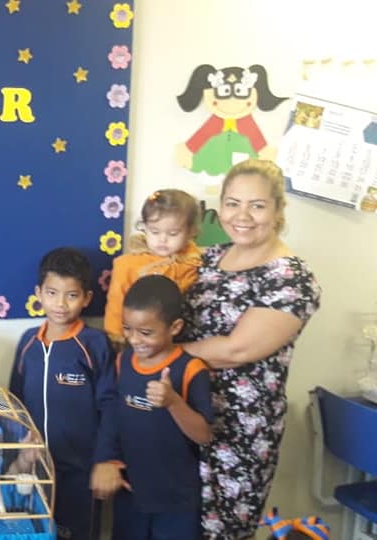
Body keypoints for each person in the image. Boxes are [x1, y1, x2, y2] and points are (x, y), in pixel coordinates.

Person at [180, 159, 321, 539]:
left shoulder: (291, 278)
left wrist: (159, 356)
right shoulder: (208, 257)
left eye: (257, 205)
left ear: (278, 210)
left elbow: (237, 350)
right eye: (232, 203)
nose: (242, 216)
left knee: (221, 529)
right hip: (182, 412)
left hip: (238, 431)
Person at [91, 275, 213, 540]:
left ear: (175, 327)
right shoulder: (123, 361)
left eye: (146, 333)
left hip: (176, 501)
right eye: (127, 328)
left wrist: (173, 402)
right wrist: (106, 459)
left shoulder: (191, 369)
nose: (135, 339)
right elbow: (114, 415)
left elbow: (204, 435)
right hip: (131, 494)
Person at [9, 247, 116, 540]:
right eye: (52, 293)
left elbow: (110, 406)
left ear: (87, 298)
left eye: (71, 295)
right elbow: (14, 402)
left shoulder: (94, 344)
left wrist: (105, 460)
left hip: (81, 474)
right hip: (34, 470)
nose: (60, 304)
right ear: (39, 293)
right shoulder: (28, 343)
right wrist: (17, 455)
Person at [104, 189, 201, 347]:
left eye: (173, 233)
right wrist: (116, 337)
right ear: (144, 227)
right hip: (138, 340)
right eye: (154, 232)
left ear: (190, 232)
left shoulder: (194, 262)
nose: (162, 239)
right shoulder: (128, 264)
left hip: (183, 340)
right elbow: (116, 303)